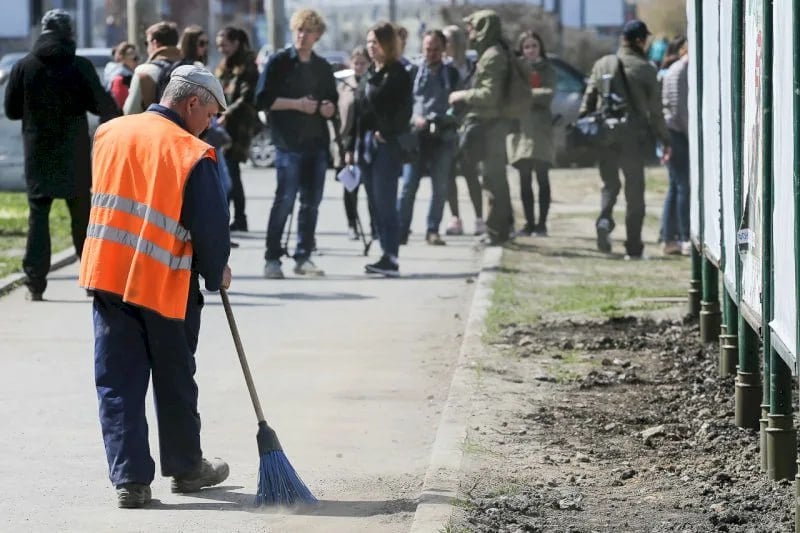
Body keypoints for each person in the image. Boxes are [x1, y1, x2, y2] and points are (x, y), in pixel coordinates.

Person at [79, 65, 232, 509]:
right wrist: (215, 270)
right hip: (164, 282)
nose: (211, 124)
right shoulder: (191, 151)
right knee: (175, 377)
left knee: (117, 380)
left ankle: (130, 481)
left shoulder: (110, 133)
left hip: (108, 275)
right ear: (191, 104)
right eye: (210, 114)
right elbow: (209, 226)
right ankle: (186, 468)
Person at [4, 9, 120, 301]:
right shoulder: (79, 66)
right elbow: (103, 107)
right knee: (82, 217)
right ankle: (92, 281)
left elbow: (11, 110)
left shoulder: (24, 66)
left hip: (38, 152)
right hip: (74, 153)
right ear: (69, 33)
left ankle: (35, 283)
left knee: (38, 217)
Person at [255, 8, 337, 278]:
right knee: (285, 200)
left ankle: (304, 256)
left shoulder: (323, 67)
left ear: (317, 36)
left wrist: (327, 108)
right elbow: (263, 99)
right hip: (287, 142)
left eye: (308, 31)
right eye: (299, 30)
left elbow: (332, 103)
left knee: (311, 203)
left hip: (315, 142)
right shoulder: (279, 62)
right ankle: (272, 258)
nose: (302, 35)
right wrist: (298, 105)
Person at [580, 19, 671, 259]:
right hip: (633, 137)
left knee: (610, 184)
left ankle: (604, 219)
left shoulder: (602, 64)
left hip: (605, 136)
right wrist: (665, 138)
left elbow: (588, 100)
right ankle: (633, 246)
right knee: (635, 192)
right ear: (640, 41)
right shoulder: (646, 68)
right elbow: (656, 111)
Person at [448, 10, 513, 245]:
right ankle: (501, 229)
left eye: (473, 28)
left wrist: (463, 95)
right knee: (492, 179)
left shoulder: (493, 56)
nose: (469, 33)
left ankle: (498, 232)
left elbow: (489, 95)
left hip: (492, 125)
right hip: (488, 124)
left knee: (493, 179)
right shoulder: (489, 54)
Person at [353, 22, 412, 276]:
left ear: (387, 45)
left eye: (375, 42)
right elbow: (358, 111)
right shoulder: (369, 73)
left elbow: (404, 111)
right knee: (374, 203)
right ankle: (384, 253)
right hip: (364, 146)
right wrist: (349, 146)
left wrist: (386, 133)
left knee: (386, 203)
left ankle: (391, 257)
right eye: (368, 42)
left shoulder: (398, 73)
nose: (370, 47)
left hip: (386, 147)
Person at [397, 29, 460, 246]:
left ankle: (433, 230)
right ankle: (401, 230)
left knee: (440, 186)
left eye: (435, 50)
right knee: (407, 187)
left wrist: (444, 119)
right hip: (416, 137)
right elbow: (403, 104)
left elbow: (459, 105)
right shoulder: (412, 72)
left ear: (443, 50)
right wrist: (415, 119)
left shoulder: (451, 74)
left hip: (443, 137)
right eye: (427, 49)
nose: (431, 54)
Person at [507, 31, 555, 237]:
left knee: (542, 177)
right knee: (524, 178)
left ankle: (542, 223)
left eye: (534, 46)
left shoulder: (548, 68)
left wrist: (526, 95)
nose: (531, 50)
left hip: (541, 129)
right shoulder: (515, 69)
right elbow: (510, 94)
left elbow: (548, 94)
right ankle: (529, 222)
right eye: (526, 47)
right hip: (520, 128)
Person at [216, 26, 259, 232]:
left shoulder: (248, 65)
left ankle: (239, 218)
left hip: (238, 125)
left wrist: (227, 114)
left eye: (224, 45)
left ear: (235, 43)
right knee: (228, 172)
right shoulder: (224, 65)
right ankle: (233, 217)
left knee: (232, 171)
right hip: (222, 122)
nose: (221, 49)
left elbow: (246, 97)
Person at [441, 24, 483, 237]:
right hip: (448, 125)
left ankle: (479, 217)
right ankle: (455, 217)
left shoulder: (470, 65)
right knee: (449, 173)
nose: (445, 45)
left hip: (468, 124)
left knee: (470, 172)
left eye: (447, 41)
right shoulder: (443, 67)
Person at [335, 46, 375, 240]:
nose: (359, 67)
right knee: (350, 187)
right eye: (356, 63)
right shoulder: (344, 86)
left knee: (372, 188)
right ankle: (352, 224)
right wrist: (345, 147)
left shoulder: (372, 84)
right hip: (347, 143)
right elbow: (339, 117)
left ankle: (375, 226)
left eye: (363, 63)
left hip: (367, 143)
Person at [660, 36, 690, 256]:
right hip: (678, 132)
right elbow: (681, 109)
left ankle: (668, 236)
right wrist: (692, 137)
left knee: (674, 186)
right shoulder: (684, 70)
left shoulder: (674, 69)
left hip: (670, 130)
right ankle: (683, 235)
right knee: (683, 186)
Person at [123, 21, 182, 115]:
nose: (147, 48)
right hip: (184, 129)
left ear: (155, 43)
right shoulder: (193, 67)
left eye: (147, 43)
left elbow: (130, 111)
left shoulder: (144, 72)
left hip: (155, 127)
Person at [107, 43, 139, 109]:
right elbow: (123, 106)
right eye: (135, 58)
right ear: (122, 58)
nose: (138, 61)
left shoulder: (114, 74)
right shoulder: (121, 79)